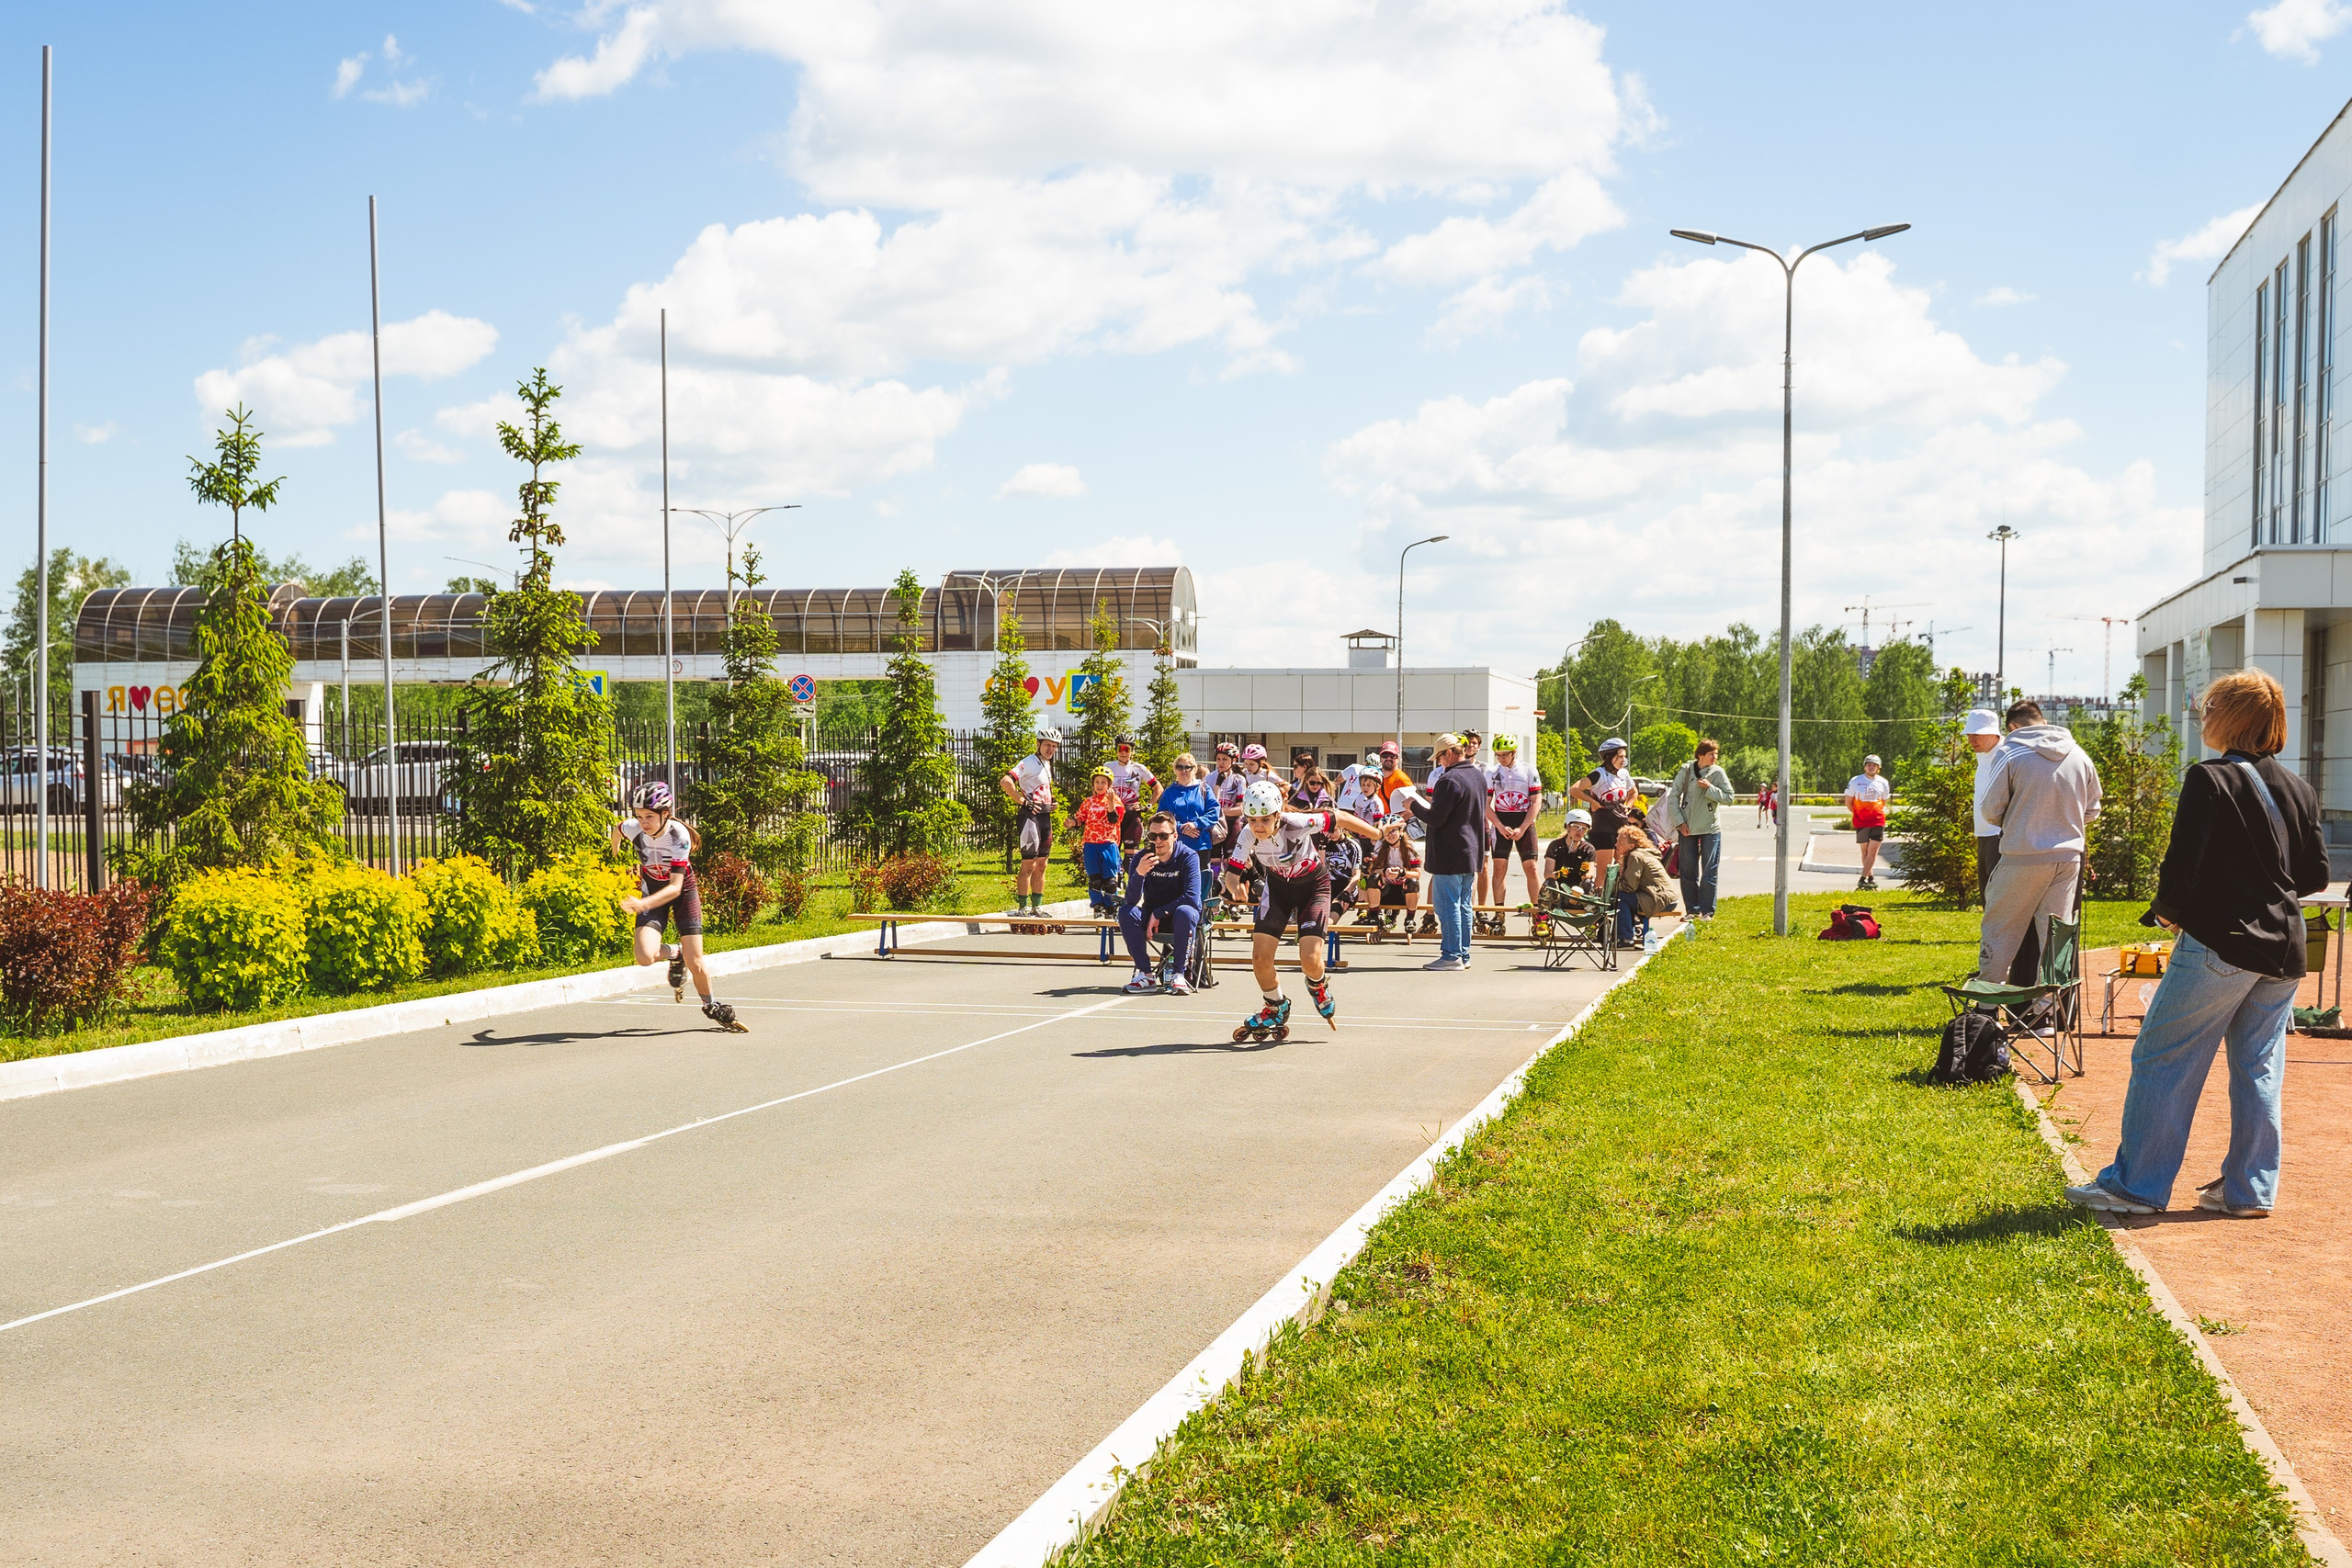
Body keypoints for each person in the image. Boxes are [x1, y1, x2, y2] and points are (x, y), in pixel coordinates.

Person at [2066, 670, 2330, 1219]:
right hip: (2285, 948)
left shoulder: (2209, 778)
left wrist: (2168, 913)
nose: (2201, 714)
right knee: (2259, 1065)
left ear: (2231, 716)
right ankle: (2249, 1191)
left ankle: (2136, 1187)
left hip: (2221, 943)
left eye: (2208, 705)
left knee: (2165, 1058)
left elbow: (2183, 863)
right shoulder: (2299, 788)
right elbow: (2312, 878)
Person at [1222, 778, 1381, 1036]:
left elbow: (1338, 816)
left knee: (1310, 960)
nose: (1258, 827)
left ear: (1277, 814)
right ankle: (1275, 1005)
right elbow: (1232, 874)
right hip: (1278, 889)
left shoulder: (1295, 823)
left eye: (1264, 820)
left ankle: (1318, 985)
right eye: (1252, 820)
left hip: (1313, 887)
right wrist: (1234, 887)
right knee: (1260, 958)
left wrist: (1376, 834)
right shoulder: (1247, 834)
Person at [1976, 701, 2103, 985]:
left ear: (2012, 727)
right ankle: (2046, 1014)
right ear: (2043, 721)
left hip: (2022, 854)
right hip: (2069, 857)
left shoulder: (2011, 752)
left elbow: (1990, 809)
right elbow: (2093, 809)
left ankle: (1986, 1008)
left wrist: (2022, 821)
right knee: (2055, 934)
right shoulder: (2078, 754)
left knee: (2000, 928)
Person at [612, 780, 739, 1032]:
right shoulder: (634, 828)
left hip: (681, 893)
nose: (643, 822)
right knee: (644, 957)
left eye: (649, 816)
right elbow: (618, 829)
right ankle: (675, 953)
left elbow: (675, 888)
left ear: (665, 814)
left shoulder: (679, 836)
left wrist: (642, 903)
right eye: (639, 816)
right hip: (651, 891)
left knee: (697, 961)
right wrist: (614, 850)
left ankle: (710, 1004)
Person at [1405, 734, 1489, 971]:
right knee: (1463, 905)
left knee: (1448, 905)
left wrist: (1413, 805)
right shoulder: (1477, 776)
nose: (1439, 762)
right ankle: (1463, 954)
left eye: (1440, 757)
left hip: (1450, 852)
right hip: (1470, 850)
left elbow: (1436, 817)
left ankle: (1451, 955)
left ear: (1450, 753)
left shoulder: (1450, 779)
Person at [1118, 811, 1204, 996]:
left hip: (1181, 916)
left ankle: (1179, 974)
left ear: (1174, 836)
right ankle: (1146, 974)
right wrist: (1139, 873)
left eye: (1163, 836)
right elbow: (1131, 900)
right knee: (1126, 912)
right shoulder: (1142, 858)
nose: (1158, 841)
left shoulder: (1188, 857)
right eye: (1153, 836)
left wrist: (1160, 913)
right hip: (1151, 917)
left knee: (1185, 912)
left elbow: (1192, 896)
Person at [1000, 725, 1063, 919]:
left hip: (1045, 817)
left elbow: (1039, 788)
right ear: (1038, 744)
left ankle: (1037, 906)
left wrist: (1050, 803)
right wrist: (1022, 801)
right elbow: (1005, 781)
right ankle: (1022, 907)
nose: (1050, 749)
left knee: (1042, 864)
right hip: (1030, 818)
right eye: (1047, 745)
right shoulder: (1029, 762)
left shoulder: (1046, 763)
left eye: (1054, 746)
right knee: (1029, 864)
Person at [1667, 739, 1731, 920]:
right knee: (1687, 870)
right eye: (1711, 754)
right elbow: (1673, 797)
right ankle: (1692, 910)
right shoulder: (1686, 770)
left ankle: (1707, 911)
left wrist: (1710, 788)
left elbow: (1729, 797)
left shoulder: (1718, 773)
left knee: (1709, 869)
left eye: (1716, 754)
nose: (1715, 757)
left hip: (1711, 828)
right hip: (1687, 828)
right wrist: (1680, 822)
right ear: (1700, 755)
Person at [1483, 734, 1544, 918]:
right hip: (1502, 822)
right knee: (1499, 868)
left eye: (1504, 755)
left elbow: (1536, 801)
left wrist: (1523, 828)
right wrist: (1500, 826)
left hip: (1524, 822)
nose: (1501, 759)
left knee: (1531, 868)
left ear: (1513, 753)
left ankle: (1538, 914)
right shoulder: (1492, 773)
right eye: (1497, 755)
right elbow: (1485, 805)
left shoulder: (1528, 770)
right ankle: (1499, 913)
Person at [1570, 737, 1639, 883]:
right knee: (1603, 869)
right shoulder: (1599, 774)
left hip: (1621, 825)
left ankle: (1617, 900)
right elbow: (1574, 789)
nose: (1623, 760)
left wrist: (1629, 805)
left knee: (1622, 868)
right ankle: (1599, 901)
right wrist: (1593, 801)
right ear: (1610, 756)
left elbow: (1633, 792)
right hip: (1603, 827)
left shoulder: (1624, 774)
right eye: (1620, 756)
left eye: (1624, 757)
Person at [1069, 766, 1127, 914]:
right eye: (1097, 782)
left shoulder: (1115, 801)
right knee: (1095, 879)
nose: (1100, 785)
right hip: (1090, 843)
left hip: (1108, 844)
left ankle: (1111, 904)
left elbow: (1114, 819)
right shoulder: (1088, 802)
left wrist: (1110, 801)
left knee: (1110, 881)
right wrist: (1072, 823)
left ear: (1109, 785)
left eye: (1103, 782)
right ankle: (1097, 904)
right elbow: (1080, 819)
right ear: (1093, 784)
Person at [1614, 823, 1679, 947]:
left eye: (1620, 842)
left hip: (1661, 899)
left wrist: (1611, 889)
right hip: (1666, 897)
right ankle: (1626, 932)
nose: (1616, 845)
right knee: (1623, 897)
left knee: (1620, 898)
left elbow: (1630, 887)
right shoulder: (1641, 853)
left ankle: (1626, 939)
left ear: (1631, 846)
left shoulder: (1635, 856)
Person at [1361, 813, 1422, 939]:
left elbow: (1418, 873)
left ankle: (1410, 919)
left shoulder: (1410, 847)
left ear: (1401, 831)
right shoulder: (1380, 845)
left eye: (1393, 831)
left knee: (1413, 882)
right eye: (1387, 832)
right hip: (1386, 891)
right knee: (1372, 879)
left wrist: (1402, 872)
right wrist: (1384, 871)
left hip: (1403, 892)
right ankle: (1374, 917)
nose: (1389, 835)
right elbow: (1373, 870)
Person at [1843, 754, 1892, 892]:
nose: (1871, 767)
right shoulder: (1855, 781)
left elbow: (1883, 801)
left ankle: (1862, 879)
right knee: (1865, 851)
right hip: (1861, 821)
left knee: (1873, 850)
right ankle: (1871, 878)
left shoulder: (1883, 782)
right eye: (1869, 765)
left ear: (1878, 768)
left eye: (1874, 765)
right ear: (1865, 766)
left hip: (1877, 821)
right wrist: (1858, 813)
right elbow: (1848, 801)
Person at [1158, 752, 1221, 856]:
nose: (1184, 771)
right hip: (1175, 846)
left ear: (1194, 770)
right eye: (1179, 767)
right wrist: (1181, 828)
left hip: (1201, 845)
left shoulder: (1204, 788)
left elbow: (1214, 812)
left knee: (1202, 873)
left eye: (1188, 767)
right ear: (1175, 770)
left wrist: (1196, 824)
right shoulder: (1169, 792)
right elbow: (1162, 817)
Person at [1107, 736, 1159, 858]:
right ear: (1116, 750)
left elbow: (1158, 789)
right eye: (1120, 749)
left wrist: (1147, 806)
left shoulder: (1139, 768)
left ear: (1132, 751)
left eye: (1127, 749)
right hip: (1113, 815)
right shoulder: (1108, 766)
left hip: (1132, 815)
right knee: (1112, 856)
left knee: (1130, 859)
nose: (1123, 752)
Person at [1209, 741, 1248, 849]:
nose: (1221, 763)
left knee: (1231, 857)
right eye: (1218, 759)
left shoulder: (1239, 780)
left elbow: (1240, 810)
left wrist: (1218, 811)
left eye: (1225, 759)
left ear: (1233, 761)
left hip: (1232, 822)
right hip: (1215, 823)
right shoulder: (1209, 778)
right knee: (1214, 860)